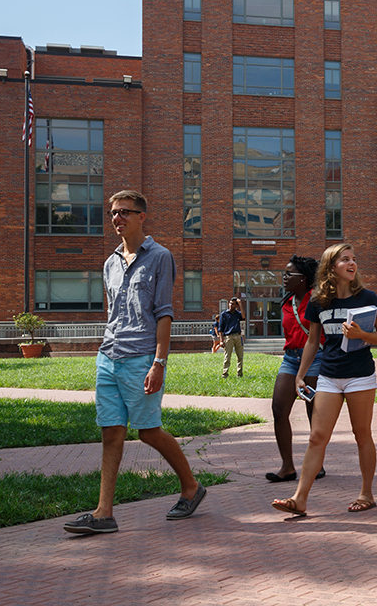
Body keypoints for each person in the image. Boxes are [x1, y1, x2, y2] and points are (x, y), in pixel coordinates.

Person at [64, 190, 205, 535]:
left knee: (148, 431)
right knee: (111, 432)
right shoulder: (110, 262)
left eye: (125, 212)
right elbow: (112, 311)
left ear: (142, 217)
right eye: (113, 213)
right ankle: (104, 513)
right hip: (109, 354)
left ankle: (191, 487)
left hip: (141, 356)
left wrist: (159, 362)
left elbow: (164, 313)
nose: (117, 218)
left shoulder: (160, 257)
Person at [271, 244, 377, 516]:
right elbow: (313, 341)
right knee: (317, 437)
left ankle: (366, 494)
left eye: (354, 260)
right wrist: (300, 374)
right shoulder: (319, 301)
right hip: (329, 376)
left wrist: (362, 335)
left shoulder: (367, 297)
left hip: (359, 375)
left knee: (362, 436)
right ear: (330, 267)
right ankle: (299, 499)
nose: (352, 264)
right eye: (345, 259)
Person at [265, 255, 328, 482]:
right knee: (279, 409)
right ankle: (287, 467)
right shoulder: (286, 302)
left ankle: (316, 463)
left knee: (314, 412)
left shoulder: (318, 300)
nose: (284, 277)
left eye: (289, 274)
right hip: (291, 358)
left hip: (315, 358)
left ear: (303, 279)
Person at [219, 297, 245, 377]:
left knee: (240, 356)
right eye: (230, 303)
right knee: (227, 357)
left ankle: (239, 373)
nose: (230, 305)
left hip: (238, 336)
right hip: (228, 337)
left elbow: (243, 317)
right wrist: (221, 340)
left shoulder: (237, 314)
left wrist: (240, 304)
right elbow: (220, 329)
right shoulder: (223, 314)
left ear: (236, 306)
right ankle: (225, 373)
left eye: (233, 304)